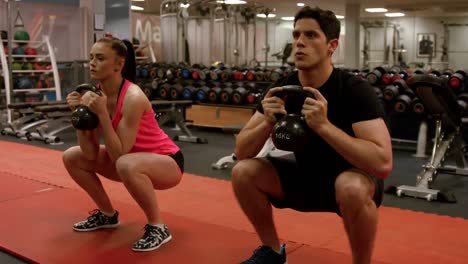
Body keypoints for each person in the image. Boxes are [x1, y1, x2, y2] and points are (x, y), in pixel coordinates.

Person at [231, 6, 393, 264]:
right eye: (296, 35)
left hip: (351, 181)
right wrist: (266, 123)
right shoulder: (282, 88)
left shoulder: (355, 91)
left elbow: (382, 164)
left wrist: (324, 126)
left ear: (332, 45)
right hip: (304, 176)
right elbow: (241, 152)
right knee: (243, 172)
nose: (299, 43)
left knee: (350, 187)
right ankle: (272, 251)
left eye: (310, 35)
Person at [62, 36, 184, 252]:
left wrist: (102, 114)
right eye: (91, 57)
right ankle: (107, 215)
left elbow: (119, 156)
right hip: (128, 160)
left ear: (119, 64)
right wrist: (78, 115)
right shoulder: (94, 95)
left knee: (126, 163)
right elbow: (89, 154)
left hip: (167, 162)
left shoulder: (133, 97)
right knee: (72, 156)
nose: (92, 63)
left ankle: (158, 226)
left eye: (100, 58)